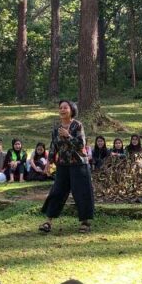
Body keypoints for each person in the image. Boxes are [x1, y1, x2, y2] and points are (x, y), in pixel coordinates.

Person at [39, 100, 96, 233]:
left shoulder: (77, 125)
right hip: (63, 165)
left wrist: (68, 136)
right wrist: (49, 162)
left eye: (65, 108)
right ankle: (48, 222)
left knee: (82, 193)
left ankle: (85, 222)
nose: (62, 110)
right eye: (60, 108)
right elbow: (53, 146)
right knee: (57, 192)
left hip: (79, 164)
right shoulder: (56, 128)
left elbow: (81, 144)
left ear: (71, 110)